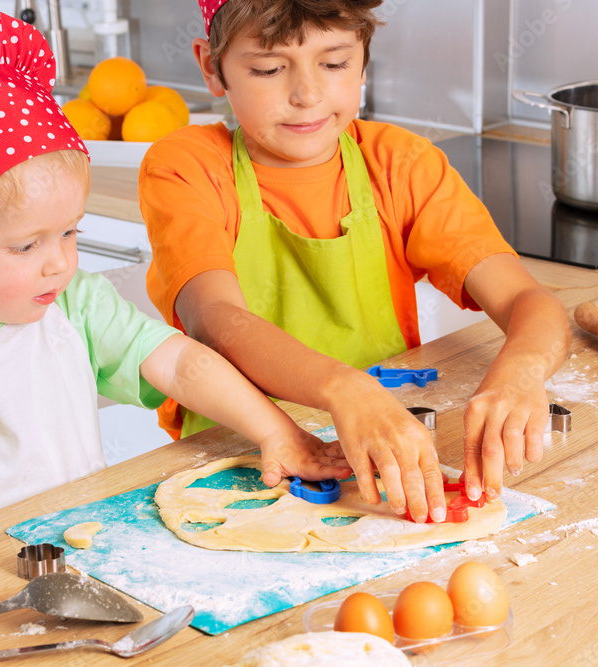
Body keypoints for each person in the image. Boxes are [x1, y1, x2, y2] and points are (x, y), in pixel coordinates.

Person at [0, 13, 349, 542]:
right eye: (26, 245)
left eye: (69, 233)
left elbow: (184, 366)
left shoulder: (76, 306)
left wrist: (276, 432)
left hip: (83, 541)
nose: (59, 264)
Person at [139, 0, 571, 525]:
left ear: (364, 59)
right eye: (269, 69)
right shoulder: (186, 168)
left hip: (387, 452)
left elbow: (530, 301)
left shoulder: (401, 165)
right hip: (236, 463)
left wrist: (520, 371)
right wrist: (345, 389)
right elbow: (215, 320)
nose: (307, 95)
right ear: (212, 67)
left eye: (335, 63)